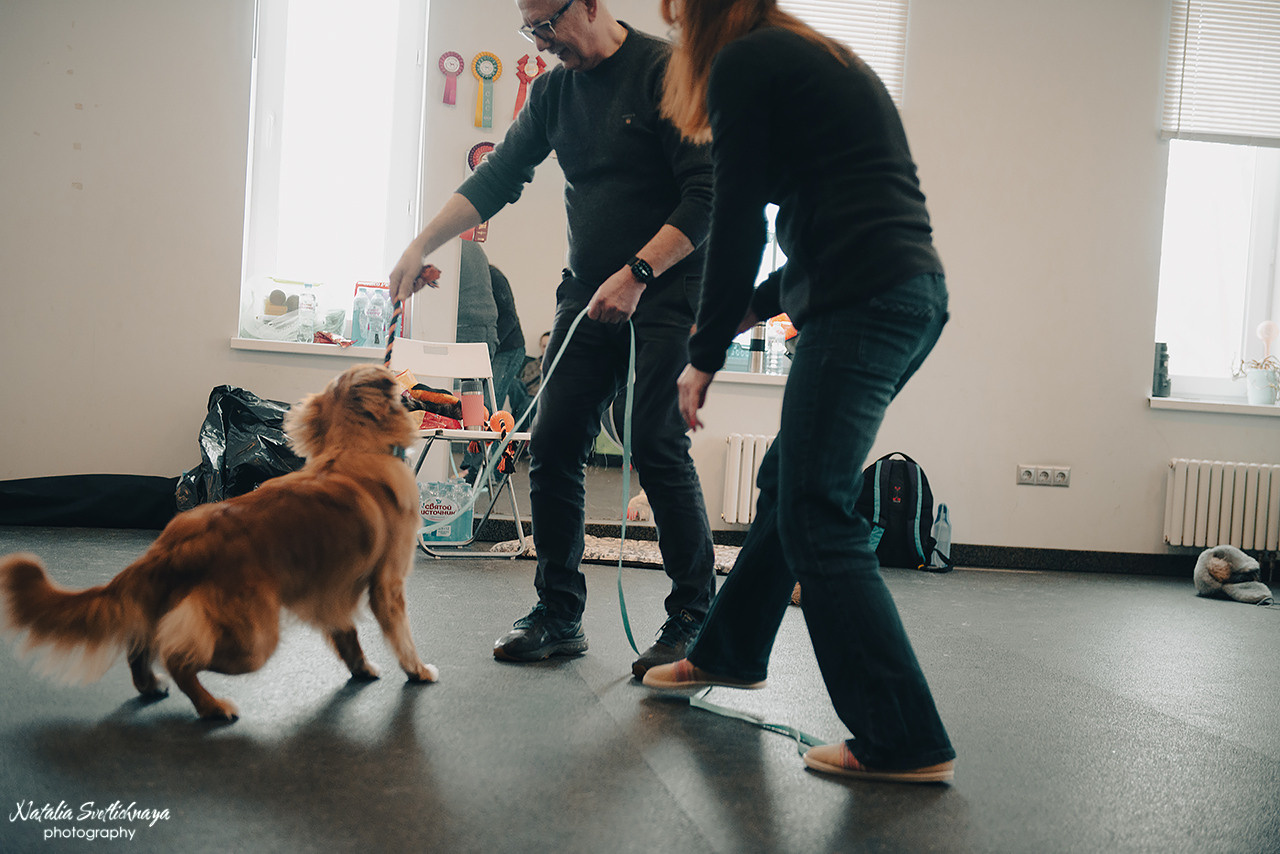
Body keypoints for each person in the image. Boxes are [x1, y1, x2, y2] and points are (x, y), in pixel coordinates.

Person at [641, 0, 957, 784]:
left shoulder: (746, 62)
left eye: (677, 18)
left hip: (863, 303)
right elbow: (836, 223)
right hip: (904, 295)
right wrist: (743, 313)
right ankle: (730, 651)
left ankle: (903, 738)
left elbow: (739, 221)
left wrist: (704, 354)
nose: (675, 31)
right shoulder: (817, 56)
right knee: (792, 484)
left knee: (816, 508)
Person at [389, 0, 718, 679]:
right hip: (589, 292)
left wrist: (639, 272)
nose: (540, 42)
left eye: (547, 25)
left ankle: (695, 618)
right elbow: (496, 177)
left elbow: (706, 197)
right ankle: (559, 613)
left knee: (655, 440)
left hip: (669, 289)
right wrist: (421, 243)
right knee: (555, 441)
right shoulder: (552, 94)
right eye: (529, 29)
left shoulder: (668, 73)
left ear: (590, 3)